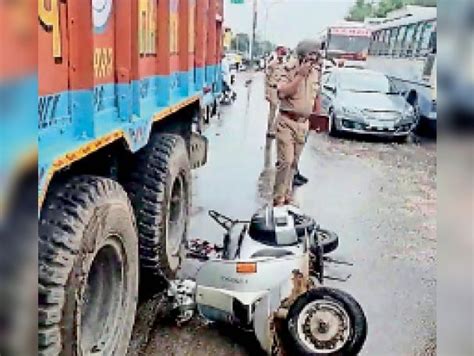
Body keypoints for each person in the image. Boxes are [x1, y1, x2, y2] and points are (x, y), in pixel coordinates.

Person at [273, 40, 321, 206]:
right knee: (285, 161)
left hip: (303, 124)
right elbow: (283, 93)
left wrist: (317, 117)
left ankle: (287, 195)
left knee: (294, 163)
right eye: (311, 54)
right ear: (302, 54)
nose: (314, 57)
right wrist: (300, 75)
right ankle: (278, 197)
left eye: (316, 54)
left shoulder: (316, 71)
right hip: (287, 121)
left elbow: (316, 95)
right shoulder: (288, 69)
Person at [264, 46, 287, 138]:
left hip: (281, 90)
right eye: (280, 53)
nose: (281, 55)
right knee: (272, 111)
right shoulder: (272, 64)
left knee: (281, 111)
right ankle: (270, 130)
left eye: (283, 53)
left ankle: (274, 129)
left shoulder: (286, 65)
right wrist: (266, 92)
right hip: (272, 89)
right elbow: (266, 78)